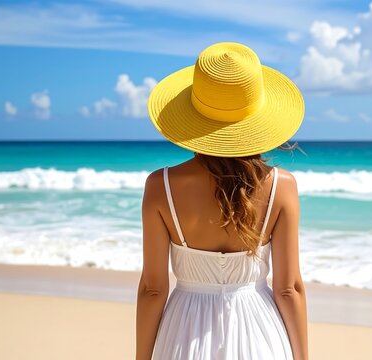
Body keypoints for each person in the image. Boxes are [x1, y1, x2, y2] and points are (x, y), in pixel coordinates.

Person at [136, 42, 308, 360]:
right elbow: (289, 289)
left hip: (184, 332)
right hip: (259, 330)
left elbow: (153, 289)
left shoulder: (160, 186)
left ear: (193, 115)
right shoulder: (281, 186)